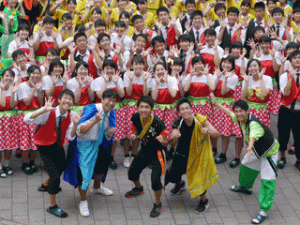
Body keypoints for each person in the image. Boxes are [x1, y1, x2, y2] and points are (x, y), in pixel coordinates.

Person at [211, 95, 279, 224]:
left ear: (247, 111)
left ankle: (263, 211)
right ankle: (245, 187)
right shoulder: (239, 119)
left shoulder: (253, 123)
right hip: (255, 151)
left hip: (269, 152)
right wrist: (216, 104)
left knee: (267, 181)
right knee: (245, 166)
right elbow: (229, 112)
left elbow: (253, 134)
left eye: (241, 111)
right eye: (237, 111)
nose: (238, 114)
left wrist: (249, 147)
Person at [24, 90, 81, 218]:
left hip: (57, 144)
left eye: (70, 99)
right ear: (59, 100)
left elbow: (71, 137)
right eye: (65, 98)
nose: (67, 101)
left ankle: (45, 185)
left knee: (62, 165)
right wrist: (43, 109)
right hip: (44, 145)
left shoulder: (71, 115)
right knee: (55, 176)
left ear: (72, 103)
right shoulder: (49, 111)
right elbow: (27, 119)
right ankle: (53, 206)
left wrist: (76, 124)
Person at [65, 89, 117, 217]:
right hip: (84, 146)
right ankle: (83, 201)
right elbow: (79, 130)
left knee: (101, 166)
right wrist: (94, 120)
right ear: (102, 99)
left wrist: (109, 133)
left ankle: (97, 187)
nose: (110, 103)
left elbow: (107, 130)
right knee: (84, 174)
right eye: (108, 100)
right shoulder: (91, 110)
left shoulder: (111, 113)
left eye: (113, 101)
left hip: (100, 143)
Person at [166, 97, 220, 213]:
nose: (185, 111)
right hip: (181, 153)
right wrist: (174, 136)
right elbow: (171, 142)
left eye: (187, 108)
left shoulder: (200, 119)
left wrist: (207, 131)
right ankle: (180, 185)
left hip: (197, 155)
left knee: (197, 179)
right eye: (182, 109)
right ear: (179, 112)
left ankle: (204, 201)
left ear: (191, 109)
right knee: (172, 175)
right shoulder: (178, 123)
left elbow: (217, 134)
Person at [125, 96, 168, 218]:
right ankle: (138, 188)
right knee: (132, 172)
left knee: (155, 180)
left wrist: (162, 140)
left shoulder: (158, 123)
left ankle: (158, 203)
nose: (143, 110)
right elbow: (135, 130)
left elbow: (166, 143)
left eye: (147, 107)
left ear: (152, 109)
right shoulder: (135, 117)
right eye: (141, 107)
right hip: (144, 151)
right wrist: (134, 135)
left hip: (157, 153)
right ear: (137, 108)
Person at [277, 50, 300, 170]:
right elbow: (285, 93)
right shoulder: (284, 76)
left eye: (299, 58)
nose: (297, 60)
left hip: (298, 112)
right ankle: (282, 157)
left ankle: (298, 160)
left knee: (299, 137)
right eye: (295, 58)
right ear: (290, 60)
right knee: (283, 135)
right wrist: (291, 77)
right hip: (286, 110)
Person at [0, 69, 18, 178]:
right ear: (2, 77)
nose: (9, 78)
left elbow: (11, 105)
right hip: (1, 119)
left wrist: (12, 93)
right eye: (7, 75)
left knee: (9, 144)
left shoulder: (14, 88)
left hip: (10, 120)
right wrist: (2, 90)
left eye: (11, 76)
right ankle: (0, 167)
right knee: (0, 145)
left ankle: (6, 165)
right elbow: (2, 104)